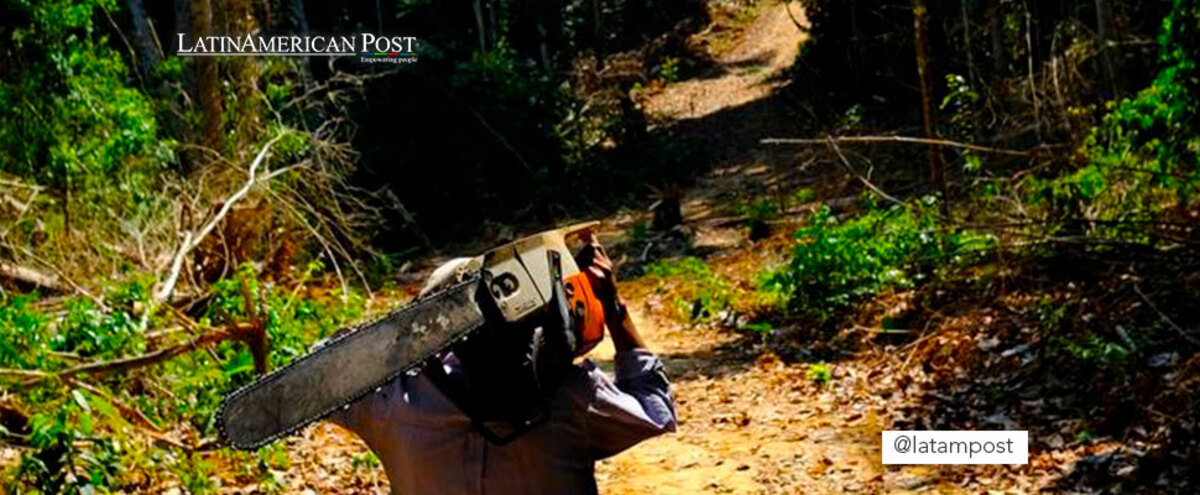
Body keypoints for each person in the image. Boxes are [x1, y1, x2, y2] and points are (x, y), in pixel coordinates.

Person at [329, 236, 676, 494]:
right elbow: (656, 412)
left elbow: (318, 375)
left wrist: (404, 335)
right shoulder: (572, 394)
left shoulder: (391, 401)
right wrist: (613, 309)